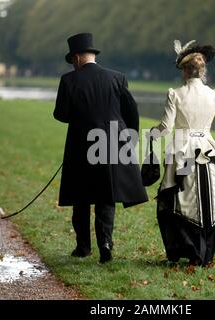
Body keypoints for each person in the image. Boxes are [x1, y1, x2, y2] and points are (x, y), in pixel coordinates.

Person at [53, 33, 148, 264]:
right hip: (111, 144)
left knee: (81, 197)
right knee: (106, 196)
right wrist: (129, 137)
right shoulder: (117, 78)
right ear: (92, 55)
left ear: (76, 58)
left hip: (80, 145)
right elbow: (131, 111)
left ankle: (83, 247)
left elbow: (61, 114)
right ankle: (105, 244)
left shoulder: (69, 81)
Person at [148, 40, 215, 266]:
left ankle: (184, 249)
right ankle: (204, 251)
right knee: (210, 199)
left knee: (179, 198)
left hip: (183, 152)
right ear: (202, 70)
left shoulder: (175, 94)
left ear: (185, 71)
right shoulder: (214, 94)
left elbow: (166, 127)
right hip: (208, 150)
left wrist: (152, 134)